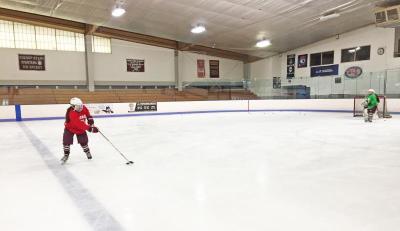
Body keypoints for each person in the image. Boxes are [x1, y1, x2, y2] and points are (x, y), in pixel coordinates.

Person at [61, 97, 99, 164]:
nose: (80, 107)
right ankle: (66, 155)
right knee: (66, 141)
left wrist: (90, 120)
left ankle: (87, 152)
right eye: (78, 106)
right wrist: (90, 129)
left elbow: (88, 114)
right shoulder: (71, 113)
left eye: (81, 105)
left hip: (80, 129)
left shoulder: (83, 108)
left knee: (83, 142)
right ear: (73, 106)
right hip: (70, 128)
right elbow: (79, 124)